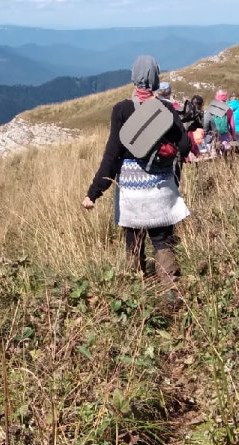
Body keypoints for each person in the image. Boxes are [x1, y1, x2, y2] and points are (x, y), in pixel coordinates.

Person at [82, 55, 191, 290]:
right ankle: (171, 290)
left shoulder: (121, 110)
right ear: (156, 79)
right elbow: (184, 147)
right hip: (161, 190)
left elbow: (111, 156)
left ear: (133, 77)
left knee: (134, 242)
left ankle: (137, 292)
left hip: (131, 192)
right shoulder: (166, 109)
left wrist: (93, 192)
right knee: (162, 241)